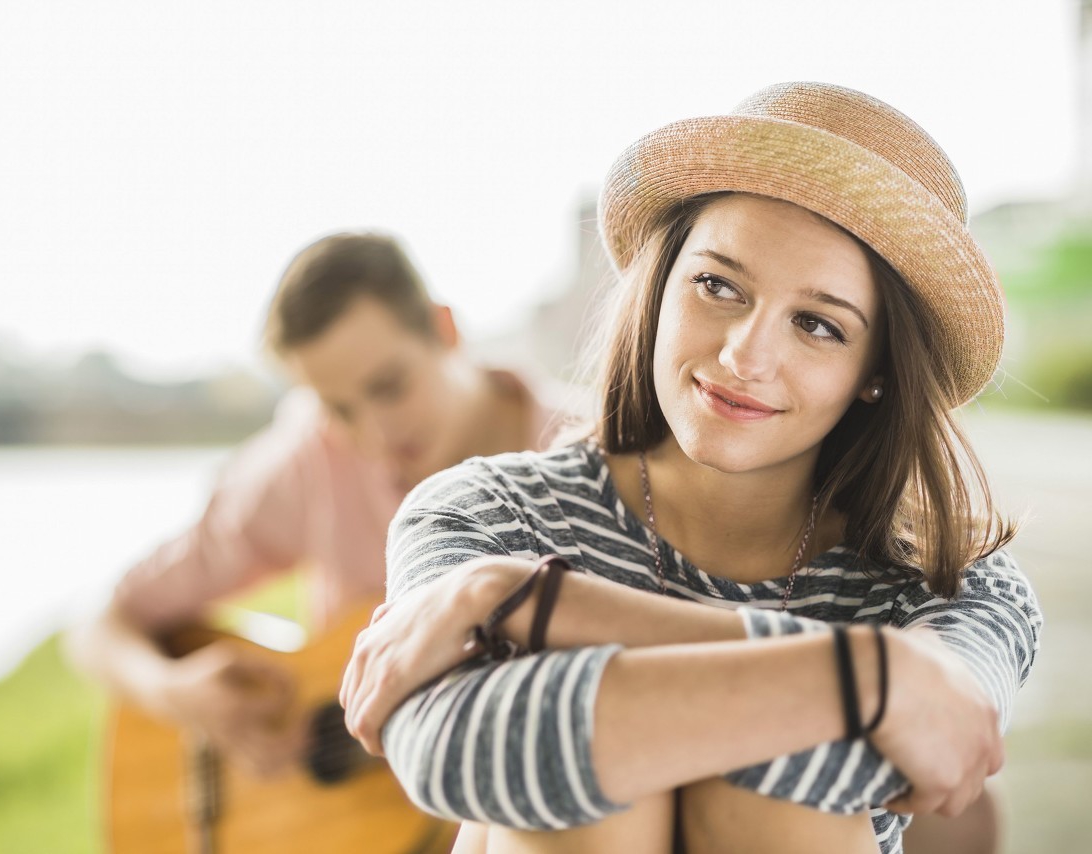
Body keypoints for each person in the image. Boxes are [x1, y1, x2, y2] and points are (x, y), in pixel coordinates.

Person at [339, 82, 1043, 854]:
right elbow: (462, 756)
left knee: (755, 769)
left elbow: (938, 731)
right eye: (717, 285)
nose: (744, 356)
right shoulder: (486, 511)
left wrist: (527, 601)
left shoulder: (957, 578)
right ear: (661, 284)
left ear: (877, 370)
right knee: (585, 794)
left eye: (817, 325)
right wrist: (870, 676)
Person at [67, 231, 565, 775]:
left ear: (444, 329)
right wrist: (173, 693)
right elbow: (101, 623)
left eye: (389, 387)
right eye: (338, 409)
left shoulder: (597, 460)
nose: (374, 436)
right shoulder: (311, 461)